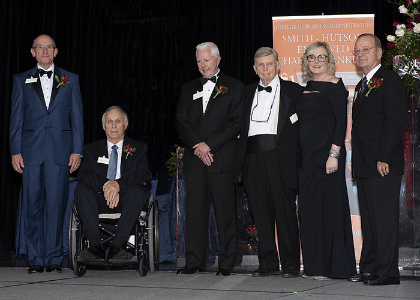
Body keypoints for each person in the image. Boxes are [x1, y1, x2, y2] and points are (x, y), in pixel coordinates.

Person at [9, 34, 84, 274]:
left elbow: (78, 120)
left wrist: (77, 151)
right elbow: (16, 120)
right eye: (40, 47)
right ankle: (35, 258)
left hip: (61, 154)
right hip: (30, 153)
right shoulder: (21, 80)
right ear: (33, 52)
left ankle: (53, 257)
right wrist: (15, 151)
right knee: (32, 207)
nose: (44, 51)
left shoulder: (70, 79)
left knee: (56, 206)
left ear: (55, 51)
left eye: (48, 47)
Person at [176, 42, 244, 276]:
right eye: (198, 61)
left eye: (206, 60)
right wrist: (198, 147)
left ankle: (226, 263)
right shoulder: (188, 88)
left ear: (217, 60)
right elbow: (181, 122)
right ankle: (194, 261)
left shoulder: (234, 86)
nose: (202, 65)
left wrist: (210, 146)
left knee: (226, 212)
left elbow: (235, 122)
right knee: (194, 213)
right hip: (196, 159)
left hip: (222, 157)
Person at [235, 47, 302, 277]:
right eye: (260, 65)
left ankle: (291, 266)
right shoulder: (244, 93)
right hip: (251, 159)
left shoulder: (295, 91)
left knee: (284, 214)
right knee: (260, 215)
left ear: (278, 65)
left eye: (269, 64)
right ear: (254, 69)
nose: (265, 69)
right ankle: (267, 264)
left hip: (279, 158)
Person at [348, 33, 406, 285]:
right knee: (370, 220)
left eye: (366, 49)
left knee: (384, 221)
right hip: (365, 164)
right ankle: (370, 268)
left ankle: (388, 272)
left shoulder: (389, 80)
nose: (360, 54)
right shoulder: (363, 84)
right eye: (357, 51)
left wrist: (384, 157)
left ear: (380, 52)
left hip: (383, 164)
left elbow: (395, 123)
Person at [297, 42, 356, 280]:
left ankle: (335, 268)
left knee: (329, 210)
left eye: (321, 56)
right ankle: (314, 267)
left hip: (327, 158)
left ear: (329, 59)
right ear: (307, 61)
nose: (316, 61)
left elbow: (341, 123)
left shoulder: (336, 86)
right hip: (306, 159)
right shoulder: (306, 87)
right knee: (309, 212)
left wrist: (333, 155)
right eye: (312, 57)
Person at [74, 106, 151, 262]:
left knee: (138, 192)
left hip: (127, 201)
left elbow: (145, 175)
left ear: (126, 124)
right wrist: (107, 184)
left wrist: (119, 185)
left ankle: (118, 246)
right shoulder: (91, 149)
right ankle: (95, 246)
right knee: (81, 189)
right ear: (103, 126)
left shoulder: (139, 148)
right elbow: (83, 175)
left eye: (118, 121)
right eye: (109, 122)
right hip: (98, 201)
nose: (114, 125)